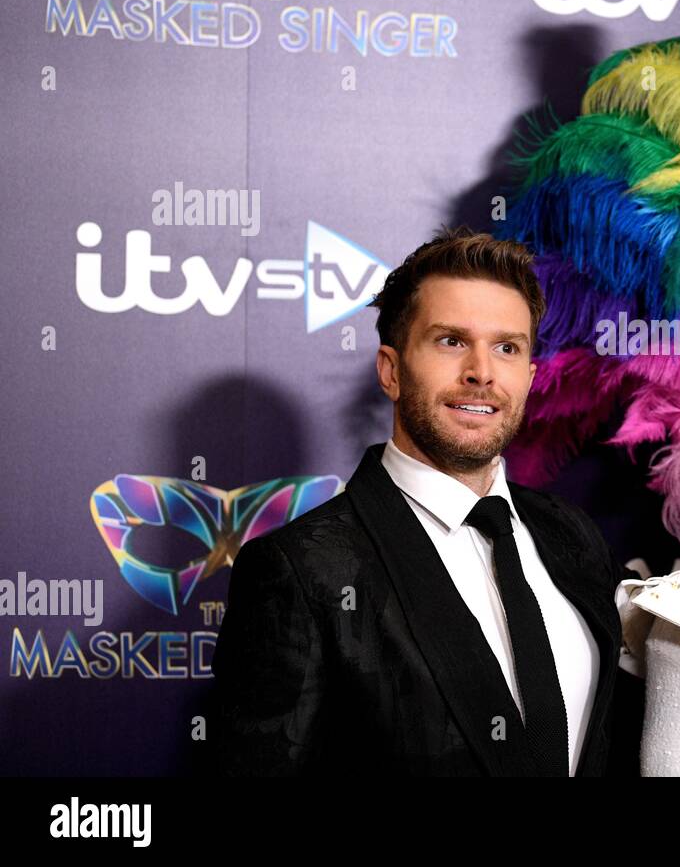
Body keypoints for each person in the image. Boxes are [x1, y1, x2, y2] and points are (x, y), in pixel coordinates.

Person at [212, 230, 625, 776]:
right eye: (451, 341)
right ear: (391, 370)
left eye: (507, 347)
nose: (481, 372)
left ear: (527, 377)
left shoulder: (571, 535)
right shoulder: (302, 569)